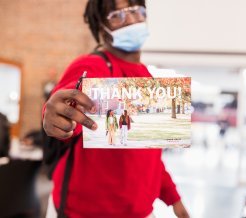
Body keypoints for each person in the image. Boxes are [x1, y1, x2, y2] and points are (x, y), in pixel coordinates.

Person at [43, 0, 189, 217]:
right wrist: (54, 116)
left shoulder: (146, 76)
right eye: (117, 15)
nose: (131, 19)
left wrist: (174, 199)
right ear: (102, 26)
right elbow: (66, 113)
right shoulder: (92, 67)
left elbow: (149, 157)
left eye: (136, 11)